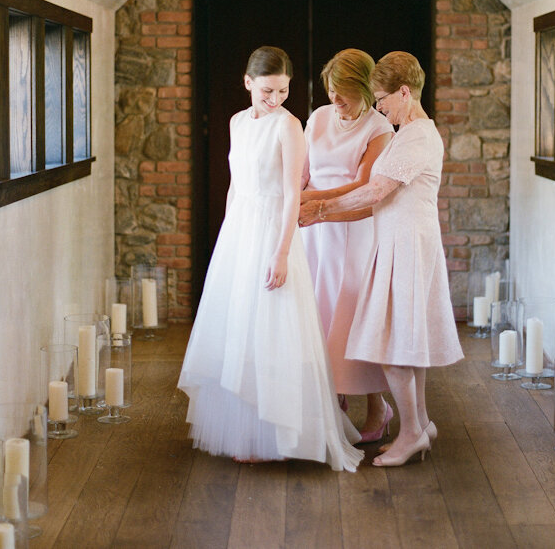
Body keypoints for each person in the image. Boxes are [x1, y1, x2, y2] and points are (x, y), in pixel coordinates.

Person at [178, 46, 363, 471]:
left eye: (283, 90)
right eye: (267, 90)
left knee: (271, 328)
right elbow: (234, 185)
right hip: (240, 230)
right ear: (247, 83)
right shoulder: (236, 122)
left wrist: (280, 254)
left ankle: (276, 432)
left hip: (273, 233)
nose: (275, 98)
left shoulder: (289, 126)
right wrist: (228, 235)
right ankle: (244, 430)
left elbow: (291, 195)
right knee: (238, 327)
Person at [299, 51, 463, 467]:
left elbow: (374, 192)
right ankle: (419, 426)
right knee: (405, 342)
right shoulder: (408, 131)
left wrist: (319, 210)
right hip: (396, 241)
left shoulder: (418, 136)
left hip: (407, 244)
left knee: (394, 346)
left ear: (404, 93)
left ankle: (410, 433)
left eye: (383, 98)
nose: (381, 107)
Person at [300, 49, 395, 443]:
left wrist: (315, 202)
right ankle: (331, 403)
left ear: (365, 90)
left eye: (344, 92)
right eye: (331, 90)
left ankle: (378, 405)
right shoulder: (318, 118)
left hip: (352, 227)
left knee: (351, 316)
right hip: (314, 230)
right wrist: (296, 198)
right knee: (317, 311)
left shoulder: (379, 128)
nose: (336, 100)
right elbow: (303, 171)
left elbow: (362, 185)